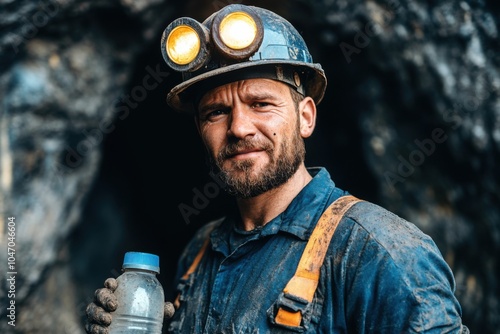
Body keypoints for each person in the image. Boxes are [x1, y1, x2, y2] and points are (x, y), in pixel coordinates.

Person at [86, 4, 469, 333]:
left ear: (305, 117)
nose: (238, 128)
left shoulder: (380, 253)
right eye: (216, 113)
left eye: (261, 104)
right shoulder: (200, 253)